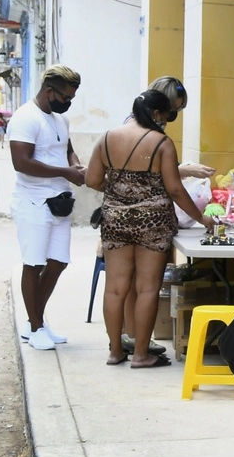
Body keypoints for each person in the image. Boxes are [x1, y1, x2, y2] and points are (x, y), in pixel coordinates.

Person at [85, 90, 217, 367]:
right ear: (156, 114)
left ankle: (115, 351)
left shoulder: (107, 137)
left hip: (115, 220)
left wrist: (120, 192)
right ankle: (142, 355)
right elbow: (175, 190)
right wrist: (202, 218)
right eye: (167, 115)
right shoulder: (162, 143)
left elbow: (92, 179)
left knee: (115, 289)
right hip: (153, 223)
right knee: (147, 288)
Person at [117, 75, 216, 358]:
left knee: (132, 282)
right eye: (173, 110)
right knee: (141, 283)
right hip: (142, 217)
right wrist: (183, 172)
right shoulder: (140, 130)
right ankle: (136, 342)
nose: (173, 117)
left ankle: (130, 340)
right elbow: (159, 177)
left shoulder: (142, 127)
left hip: (131, 215)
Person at [9, 65, 86, 350]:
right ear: (49, 90)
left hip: (59, 201)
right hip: (32, 201)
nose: (68, 103)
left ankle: (37, 320)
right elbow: (22, 163)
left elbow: (67, 150)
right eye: (65, 97)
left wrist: (75, 165)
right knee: (34, 264)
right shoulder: (25, 118)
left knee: (58, 262)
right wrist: (65, 173)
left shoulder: (59, 120)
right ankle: (35, 326)